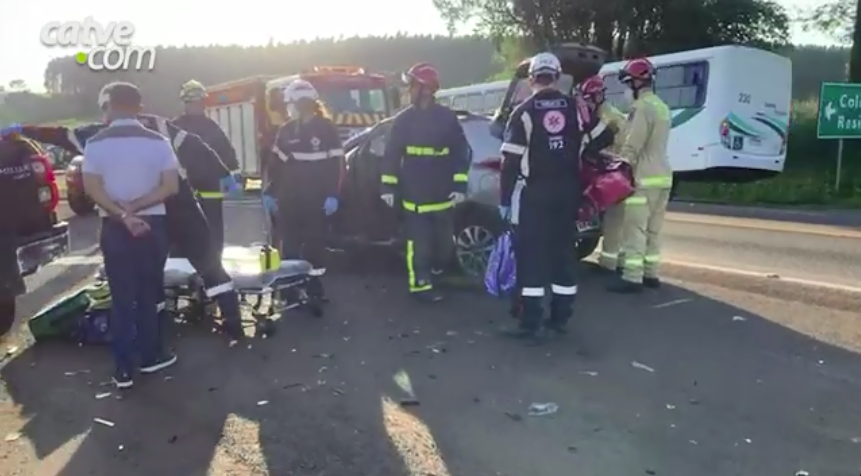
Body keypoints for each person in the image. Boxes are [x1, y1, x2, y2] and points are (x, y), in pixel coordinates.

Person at [1, 92, 246, 342]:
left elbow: (61, 135)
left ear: (106, 108)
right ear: (138, 107)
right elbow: (195, 146)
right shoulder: (159, 126)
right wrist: (225, 173)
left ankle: (156, 338)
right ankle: (233, 322)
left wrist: (24, 130)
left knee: (149, 277)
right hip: (180, 205)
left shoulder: (98, 134)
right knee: (208, 263)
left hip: (143, 213)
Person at [79, 82, 179, 388]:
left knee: (121, 297)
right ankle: (150, 357)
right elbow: (170, 187)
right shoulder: (159, 142)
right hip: (153, 224)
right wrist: (137, 206)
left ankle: (123, 368)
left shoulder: (95, 143)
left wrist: (123, 213)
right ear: (140, 106)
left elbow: (92, 189)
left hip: (114, 224)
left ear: (108, 106)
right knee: (149, 293)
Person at [497, 52, 584, 344]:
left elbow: (509, 162)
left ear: (532, 78)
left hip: (536, 194)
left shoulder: (524, 112)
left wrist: (505, 199)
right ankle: (560, 319)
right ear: (557, 76)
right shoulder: (575, 108)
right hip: (569, 191)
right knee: (563, 255)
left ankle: (530, 324)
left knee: (532, 257)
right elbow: (602, 137)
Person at [379, 62, 470, 303]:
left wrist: (460, 186)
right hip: (414, 195)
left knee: (443, 247)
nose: (408, 90)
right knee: (419, 245)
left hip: (442, 195)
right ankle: (420, 284)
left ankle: (437, 271)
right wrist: (387, 187)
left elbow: (462, 153)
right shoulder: (403, 120)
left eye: (412, 85)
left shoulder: (447, 118)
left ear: (426, 89)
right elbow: (391, 154)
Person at [263, 79, 344, 299]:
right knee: (289, 246)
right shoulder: (287, 131)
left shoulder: (327, 129)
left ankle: (314, 287)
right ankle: (290, 288)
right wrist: (270, 192)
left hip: (317, 201)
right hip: (289, 201)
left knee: (315, 247)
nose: (288, 109)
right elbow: (275, 166)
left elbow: (338, 166)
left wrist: (333, 195)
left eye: (290, 103)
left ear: (301, 103)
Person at [607, 58, 673, 293]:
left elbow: (633, 143)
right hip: (663, 177)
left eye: (627, 83)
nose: (626, 89)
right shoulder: (661, 106)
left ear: (636, 82)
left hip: (643, 178)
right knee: (653, 230)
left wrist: (619, 165)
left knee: (634, 230)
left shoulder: (641, 108)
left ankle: (632, 278)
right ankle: (651, 275)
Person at [173, 80, 242, 255]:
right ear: (186, 103)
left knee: (211, 235)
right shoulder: (176, 127)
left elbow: (228, 156)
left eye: (199, 103)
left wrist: (232, 175)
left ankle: (211, 268)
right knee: (183, 234)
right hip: (184, 191)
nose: (198, 107)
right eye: (194, 103)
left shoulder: (178, 126)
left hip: (206, 191)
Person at [577, 75, 630, 274]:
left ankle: (610, 263)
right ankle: (616, 259)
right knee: (615, 219)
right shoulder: (604, 112)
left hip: (614, 169)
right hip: (614, 168)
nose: (588, 102)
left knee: (614, 220)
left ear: (599, 96)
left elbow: (601, 142)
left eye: (590, 98)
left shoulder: (607, 116)